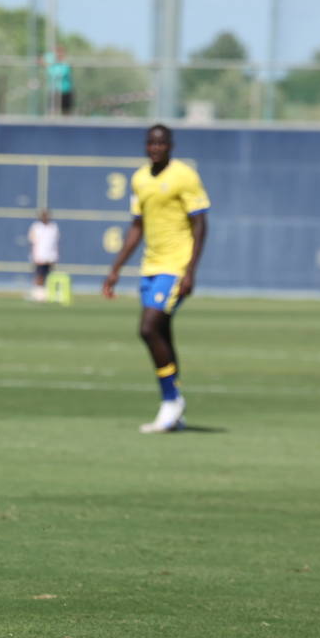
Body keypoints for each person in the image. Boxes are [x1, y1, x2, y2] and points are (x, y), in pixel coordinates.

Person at [101, 124, 210, 433]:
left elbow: (201, 223)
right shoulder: (140, 178)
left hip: (175, 267)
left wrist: (190, 270)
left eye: (161, 143)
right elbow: (137, 226)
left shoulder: (184, 176)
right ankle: (174, 408)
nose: (155, 148)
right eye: (151, 143)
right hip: (151, 267)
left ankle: (172, 400)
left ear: (171, 146)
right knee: (161, 331)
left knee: (148, 328)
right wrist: (116, 268)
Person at [27, 209, 60, 301]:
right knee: (39, 276)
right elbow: (32, 242)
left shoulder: (53, 227)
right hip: (40, 255)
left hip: (51, 256)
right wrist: (35, 256)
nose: (45, 217)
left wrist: (55, 255)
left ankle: (50, 294)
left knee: (50, 276)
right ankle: (38, 295)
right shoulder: (36, 227)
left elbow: (56, 242)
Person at [44, 47, 74, 115]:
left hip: (65, 91)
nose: (59, 55)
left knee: (66, 112)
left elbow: (63, 73)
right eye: (57, 53)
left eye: (61, 53)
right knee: (52, 112)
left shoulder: (66, 64)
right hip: (54, 91)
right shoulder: (52, 64)